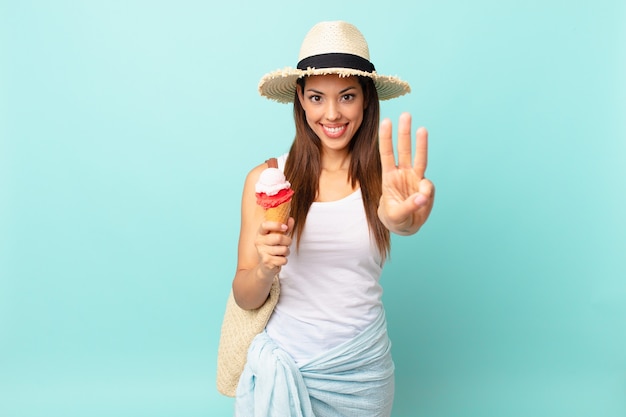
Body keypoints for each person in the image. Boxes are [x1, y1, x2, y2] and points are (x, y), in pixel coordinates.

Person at [231, 20, 435, 416]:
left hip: (362, 374)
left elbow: (401, 222)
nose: (331, 114)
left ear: (366, 100)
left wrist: (405, 220)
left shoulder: (386, 179)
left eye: (346, 96)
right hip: (286, 368)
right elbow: (244, 296)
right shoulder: (268, 179)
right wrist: (265, 270)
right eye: (316, 97)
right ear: (300, 100)